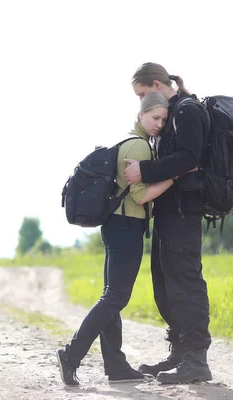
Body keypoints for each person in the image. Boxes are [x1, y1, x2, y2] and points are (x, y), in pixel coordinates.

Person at [56, 92, 176, 386]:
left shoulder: (126, 140)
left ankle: (116, 365)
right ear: (141, 115)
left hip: (115, 225)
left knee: (112, 295)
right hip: (127, 226)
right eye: (154, 117)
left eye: (163, 119)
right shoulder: (139, 146)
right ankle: (71, 355)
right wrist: (175, 175)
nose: (159, 124)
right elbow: (140, 194)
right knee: (116, 297)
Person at [123, 62, 213, 384]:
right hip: (166, 213)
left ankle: (196, 360)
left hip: (183, 213)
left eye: (144, 94)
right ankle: (178, 352)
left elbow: (191, 158)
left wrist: (144, 173)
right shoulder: (168, 116)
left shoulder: (187, 110)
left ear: (158, 85)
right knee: (165, 284)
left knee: (185, 283)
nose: (143, 103)